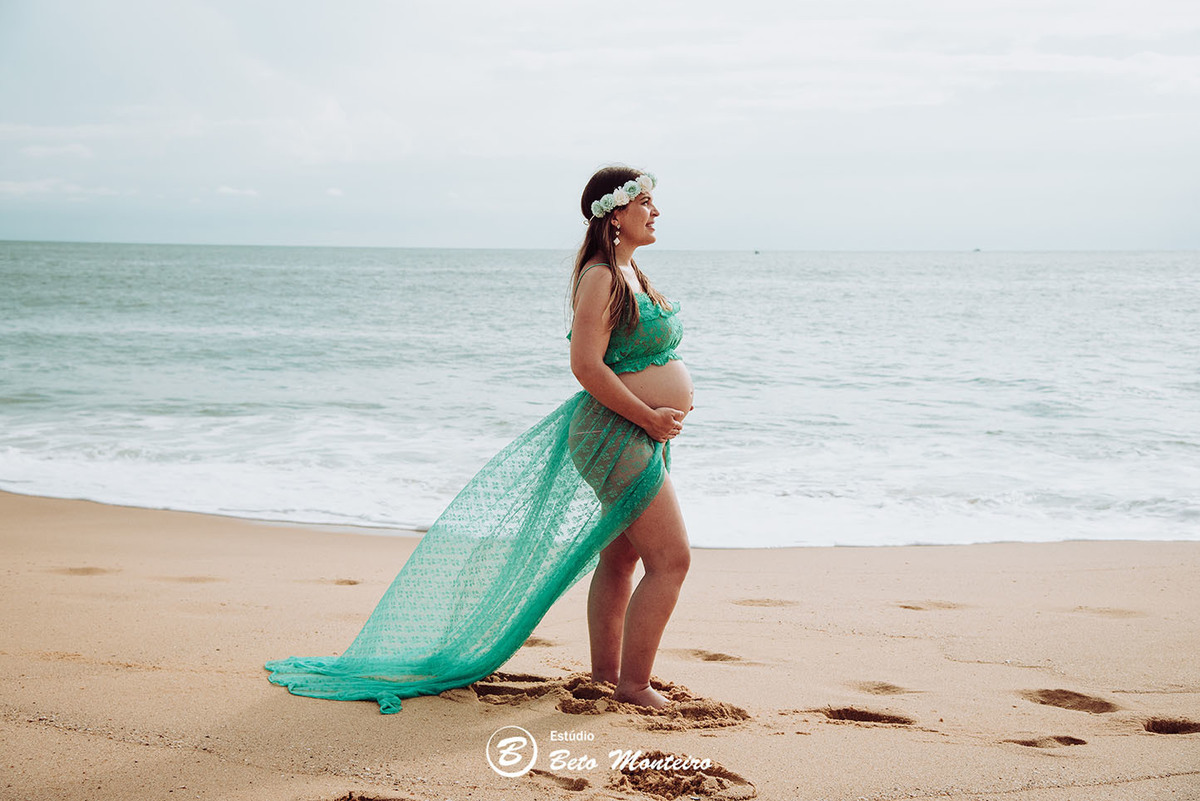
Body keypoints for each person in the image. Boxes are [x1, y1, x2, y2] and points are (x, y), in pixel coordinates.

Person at [265, 165, 690, 713]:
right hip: (617, 431)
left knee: (622, 558)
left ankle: (608, 676)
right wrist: (649, 417)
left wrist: (658, 421)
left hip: (638, 432)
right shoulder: (600, 277)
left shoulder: (633, 274)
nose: (656, 212)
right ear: (615, 213)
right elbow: (586, 367)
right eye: (646, 202)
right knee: (671, 559)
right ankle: (633, 686)